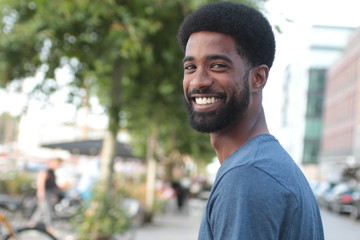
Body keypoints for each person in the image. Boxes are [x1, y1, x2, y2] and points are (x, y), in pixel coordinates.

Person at [177, 2, 324, 239]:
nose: (198, 81)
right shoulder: (264, 164)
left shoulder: (247, 176)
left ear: (257, 78)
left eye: (217, 66)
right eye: (190, 67)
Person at [30, 157, 63, 235]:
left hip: (49, 193)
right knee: (46, 210)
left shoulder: (52, 171)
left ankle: (31, 224)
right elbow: (40, 181)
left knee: (41, 210)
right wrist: (41, 192)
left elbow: (53, 184)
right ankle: (49, 227)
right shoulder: (45, 170)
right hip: (45, 193)